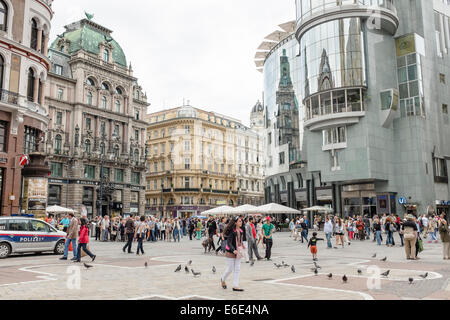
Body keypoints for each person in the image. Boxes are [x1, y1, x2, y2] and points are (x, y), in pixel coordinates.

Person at [221, 216, 245, 292]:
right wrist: (233, 250)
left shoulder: (241, 231)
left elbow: (239, 240)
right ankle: (223, 279)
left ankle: (235, 286)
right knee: (230, 269)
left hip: (238, 252)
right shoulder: (232, 231)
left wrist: (242, 245)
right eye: (239, 221)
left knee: (237, 269)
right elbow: (228, 242)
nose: (241, 222)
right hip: (231, 252)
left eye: (241, 221)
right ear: (235, 223)